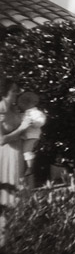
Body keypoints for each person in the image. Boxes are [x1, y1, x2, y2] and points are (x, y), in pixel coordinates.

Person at [0, 78, 31, 207]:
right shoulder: (1, 109)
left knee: (19, 189)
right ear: (4, 92)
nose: (16, 94)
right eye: (13, 91)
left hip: (18, 152)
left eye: (17, 91)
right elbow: (1, 140)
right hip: (5, 155)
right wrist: (22, 128)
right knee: (7, 190)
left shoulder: (14, 109)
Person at [17, 91, 47, 180]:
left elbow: (41, 121)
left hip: (32, 135)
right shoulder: (24, 113)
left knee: (26, 150)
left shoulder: (35, 113)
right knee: (24, 151)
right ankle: (27, 166)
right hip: (26, 135)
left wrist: (34, 123)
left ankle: (30, 167)